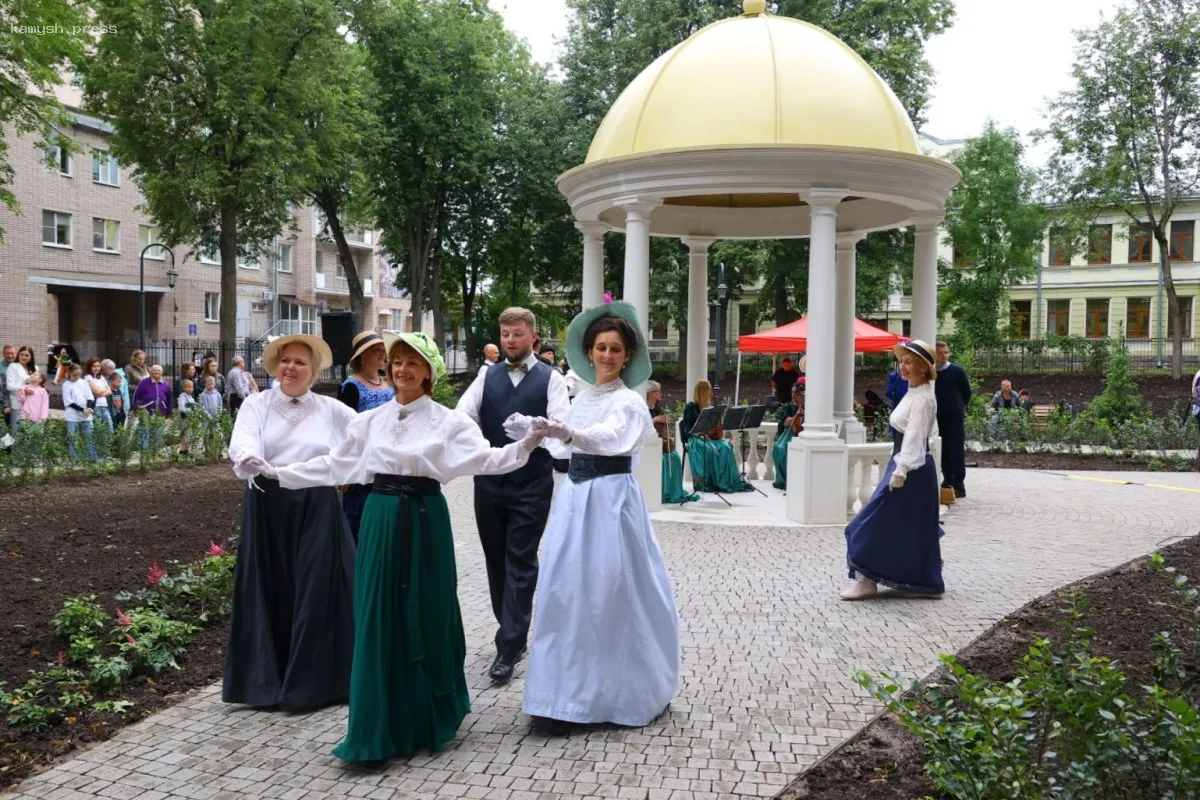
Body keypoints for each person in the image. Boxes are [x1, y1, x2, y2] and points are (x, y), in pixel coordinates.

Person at [238, 331, 546, 762]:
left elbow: (487, 461)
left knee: (428, 613)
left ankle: (429, 714)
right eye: (396, 361)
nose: (402, 369)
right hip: (381, 518)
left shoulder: (449, 421)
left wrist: (526, 445)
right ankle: (377, 724)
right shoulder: (369, 421)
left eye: (412, 362)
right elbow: (335, 465)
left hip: (426, 521)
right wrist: (277, 473)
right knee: (379, 615)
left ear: (429, 372)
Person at [512, 301, 679, 735]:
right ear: (589, 352)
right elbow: (565, 448)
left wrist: (566, 432)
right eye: (601, 347)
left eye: (615, 349)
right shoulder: (581, 397)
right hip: (575, 500)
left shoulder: (628, 402)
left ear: (627, 357)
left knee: (608, 593)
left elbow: (609, 440)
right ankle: (560, 696)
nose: (606, 355)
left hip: (609, 503)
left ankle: (609, 694)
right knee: (566, 591)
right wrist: (538, 432)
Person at [223, 334, 358, 711]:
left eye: (300, 362)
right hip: (269, 501)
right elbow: (244, 440)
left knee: (318, 584)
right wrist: (250, 458)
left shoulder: (332, 409)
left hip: (316, 500)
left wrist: (349, 466)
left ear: (314, 370)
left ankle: (314, 683)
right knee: (271, 583)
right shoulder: (257, 403)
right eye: (286, 361)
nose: (291, 368)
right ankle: (266, 683)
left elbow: (364, 436)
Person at [457, 307, 570, 684]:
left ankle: (508, 645)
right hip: (488, 481)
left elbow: (560, 424)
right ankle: (511, 628)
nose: (509, 340)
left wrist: (538, 431)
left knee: (521, 559)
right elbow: (462, 417)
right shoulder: (486, 377)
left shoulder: (551, 379)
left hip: (532, 484)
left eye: (517, 333)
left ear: (532, 337)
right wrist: (479, 448)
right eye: (505, 333)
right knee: (495, 559)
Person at [842, 339, 944, 600]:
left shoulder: (922, 397)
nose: (903, 366)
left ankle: (867, 580)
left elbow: (914, 436)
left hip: (911, 469)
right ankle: (910, 580)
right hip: (907, 464)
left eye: (909, 362)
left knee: (869, 522)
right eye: (902, 361)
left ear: (923, 367)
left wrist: (901, 471)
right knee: (907, 526)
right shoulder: (914, 392)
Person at [337, 330, 395, 541]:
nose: (382, 355)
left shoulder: (389, 385)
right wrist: (345, 469)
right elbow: (344, 430)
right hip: (361, 464)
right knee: (360, 525)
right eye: (376, 351)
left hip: (386, 463)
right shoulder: (351, 387)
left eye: (383, 351)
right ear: (362, 356)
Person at [681, 379, 752, 494]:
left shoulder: (710, 407)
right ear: (703, 392)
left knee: (726, 447)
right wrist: (700, 434)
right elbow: (687, 429)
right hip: (695, 439)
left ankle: (726, 480)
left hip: (710, 438)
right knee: (709, 450)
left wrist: (716, 428)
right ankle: (708, 482)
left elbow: (713, 429)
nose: (711, 392)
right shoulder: (691, 407)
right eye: (709, 390)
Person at [934, 340, 971, 499]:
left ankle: (959, 484)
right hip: (937, 416)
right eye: (940, 353)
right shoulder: (931, 373)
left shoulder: (956, 371)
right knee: (943, 449)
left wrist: (957, 407)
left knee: (956, 448)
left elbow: (966, 392)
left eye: (946, 352)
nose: (944, 356)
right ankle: (948, 479)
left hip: (954, 415)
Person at [772, 380, 805, 490]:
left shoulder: (810, 407)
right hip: (789, 433)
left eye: (797, 393)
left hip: (804, 434)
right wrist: (797, 415)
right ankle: (785, 480)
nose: (793, 395)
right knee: (781, 449)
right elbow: (785, 422)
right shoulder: (788, 406)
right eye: (792, 392)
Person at [62, 362, 97, 462]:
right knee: (73, 439)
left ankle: (92, 459)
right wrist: (82, 410)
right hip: (73, 416)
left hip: (86, 415)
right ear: (69, 373)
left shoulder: (84, 382)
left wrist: (88, 409)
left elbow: (90, 397)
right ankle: (75, 460)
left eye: (79, 375)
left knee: (89, 437)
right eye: (74, 375)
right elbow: (69, 402)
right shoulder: (66, 385)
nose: (77, 377)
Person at [5, 346, 37, 435]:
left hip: (32, 404)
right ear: (18, 355)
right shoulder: (13, 366)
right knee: (17, 433)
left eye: (27, 355)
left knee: (30, 434)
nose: (24, 357)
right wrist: (24, 388)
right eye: (21, 354)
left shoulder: (35, 368)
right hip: (17, 404)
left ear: (31, 357)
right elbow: (9, 386)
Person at [84, 358, 114, 430]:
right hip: (96, 406)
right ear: (89, 367)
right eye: (94, 366)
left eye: (98, 366)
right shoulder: (88, 377)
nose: (97, 368)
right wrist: (104, 390)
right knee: (98, 428)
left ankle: (107, 441)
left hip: (104, 405)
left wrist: (101, 391)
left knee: (109, 427)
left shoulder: (100, 377)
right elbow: (96, 392)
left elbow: (110, 391)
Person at [177, 379, 197, 455]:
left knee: (189, 434)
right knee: (185, 434)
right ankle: (183, 450)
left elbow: (193, 407)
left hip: (190, 419)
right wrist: (189, 414)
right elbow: (182, 409)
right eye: (188, 387)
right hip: (185, 418)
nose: (190, 388)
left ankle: (186, 449)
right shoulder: (182, 397)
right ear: (184, 388)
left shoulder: (191, 398)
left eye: (192, 387)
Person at [0, 344, 13, 435]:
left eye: (12, 353)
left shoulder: (18, 365)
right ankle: (5, 447)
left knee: (12, 426)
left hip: (14, 402)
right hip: (2, 401)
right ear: (3, 354)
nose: (10, 355)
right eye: (7, 353)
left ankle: (10, 448)